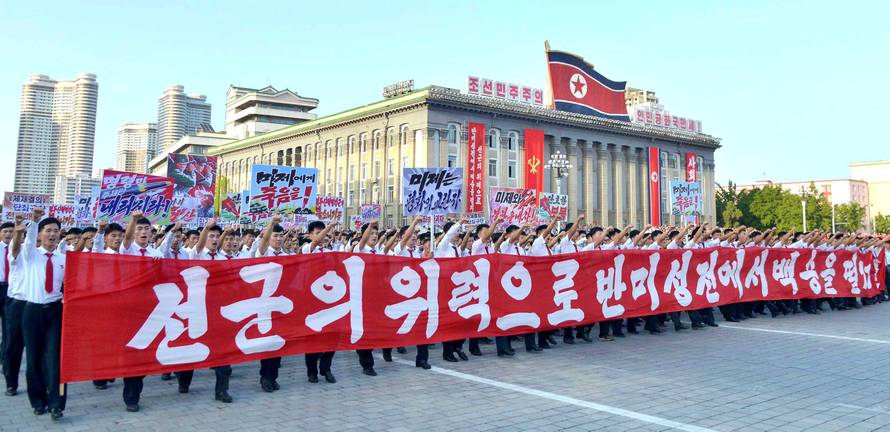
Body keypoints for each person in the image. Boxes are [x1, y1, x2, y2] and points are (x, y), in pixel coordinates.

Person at [11, 208, 66, 420]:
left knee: (55, 359)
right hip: (32, 312)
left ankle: (57, 403)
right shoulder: (30, 255)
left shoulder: (63, 258)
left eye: (56, 231)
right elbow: (27, 241)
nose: (52, 234)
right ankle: (38, 401)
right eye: (48, 230)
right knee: (33, 359)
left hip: (55, 312)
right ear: (41, 234)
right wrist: (33, 222)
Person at [302, 220, 340, 383]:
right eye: (317, 233)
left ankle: (326, 367)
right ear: (310, 235)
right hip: (312, 299)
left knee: (333, 335)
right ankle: (312, 371)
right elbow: (317, 242)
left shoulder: (331, 251)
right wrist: (330, 227)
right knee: (313, 337)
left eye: (322, 232)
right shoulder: (307, 248)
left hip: (331, 299)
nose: (321, 236)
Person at [2, 217, 25, 397]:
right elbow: (15, 248)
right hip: (13, 299)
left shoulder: (39, 254)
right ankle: (11, 381)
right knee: (12, 342)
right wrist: (18, 231)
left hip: (33, 303)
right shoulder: (15, 251)